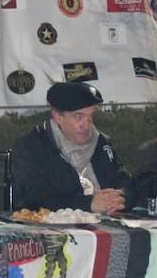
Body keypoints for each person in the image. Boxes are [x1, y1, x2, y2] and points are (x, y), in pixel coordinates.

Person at [11, 81, 135, 212]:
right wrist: (88, 204)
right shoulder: (31, 145)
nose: (87, 125)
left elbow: (126, 183)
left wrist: (121, 199)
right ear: (58, 116)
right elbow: (34, 197)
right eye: (78, 117)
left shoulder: (102, 143)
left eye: (91, 116)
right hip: (52, 227)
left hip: (107, 222)